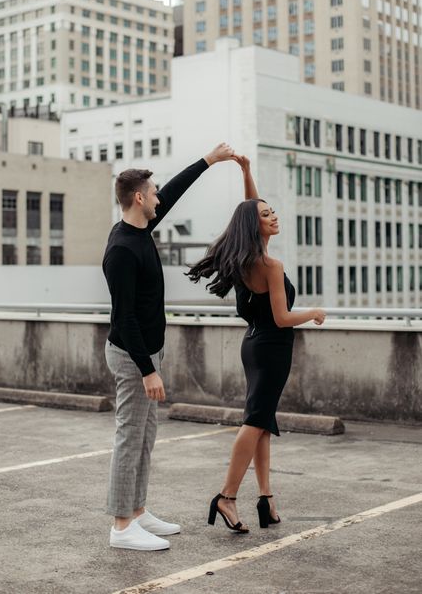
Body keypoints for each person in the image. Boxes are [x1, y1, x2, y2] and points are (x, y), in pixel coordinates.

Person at [103, 143, 235, 551]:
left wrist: (208, 161)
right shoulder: (122, 249)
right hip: (131, 356)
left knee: (145, 437)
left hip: (146, 352)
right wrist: (148, 370)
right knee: (129, 437)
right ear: (139, 198)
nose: (161, 198)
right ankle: (122, 527)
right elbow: (124, 318)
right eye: (154, 192)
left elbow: (173, 192)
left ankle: (138, 512)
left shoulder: (141, 229)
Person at [187, 156, 326, 533]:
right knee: (254, 422)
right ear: (256, 225)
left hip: (253, 346)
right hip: (272, 348)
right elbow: (282, 317)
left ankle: (266, 498)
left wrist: (247, 174)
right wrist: (312, 311)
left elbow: (249, 210)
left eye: (273, 211)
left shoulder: (246, 260)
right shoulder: (271, 265)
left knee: (263, 422)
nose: (273, 216)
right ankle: (226, 497)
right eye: (267, 215)